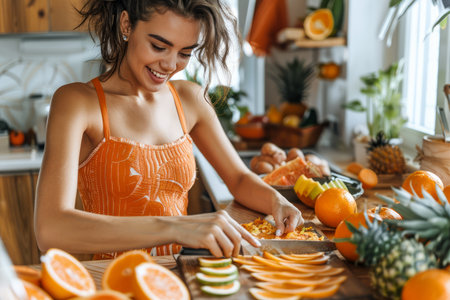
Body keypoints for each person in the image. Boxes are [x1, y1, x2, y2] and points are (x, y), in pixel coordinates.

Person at [34, 0, 303, 259]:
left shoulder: (190, 98)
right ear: (126, 24)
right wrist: (173, 227)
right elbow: (51, 229)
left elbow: (239, 179)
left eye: (185, 52)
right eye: (158, 46)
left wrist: (277, 201)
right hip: (116, 278)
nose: (171, 64)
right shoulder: (77, 102)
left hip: (183, 274)